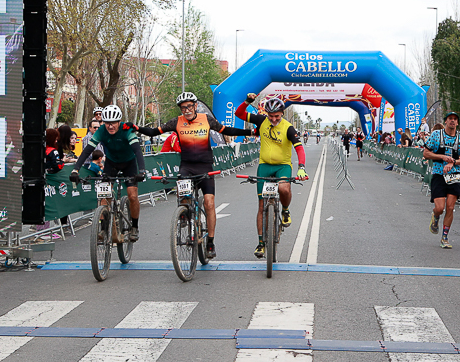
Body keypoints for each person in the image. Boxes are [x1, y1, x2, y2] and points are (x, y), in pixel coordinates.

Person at [136, 92, 252, 260]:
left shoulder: (206, 119)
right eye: (183, 108)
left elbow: (227, 130)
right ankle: (183, 213)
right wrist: (136, 128)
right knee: (182, 192)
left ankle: (210, 242)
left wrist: (250, 132)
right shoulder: (176, 122)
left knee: (209, 203)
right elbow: (154, 131)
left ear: (196, 106)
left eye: (189, 106)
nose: (187, 110)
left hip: (205, 166)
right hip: (187, 166)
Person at [235, 94, 309, 258]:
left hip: (283, 166)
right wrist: (247, 101)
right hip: (264, 166)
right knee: (261, 206)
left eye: (277, 116)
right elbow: (239, 114)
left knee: (284, 188)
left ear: (282, 113)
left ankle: (285, 210)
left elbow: (299, 148)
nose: (273, 119)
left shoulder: (288, 128)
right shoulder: (261, 121)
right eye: (271, 116)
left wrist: (301, 167)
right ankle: (261, 243)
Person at [69, 105, 146, 241]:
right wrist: (75, 170)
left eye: (113, 123)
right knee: (104, 196)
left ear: (119, 121)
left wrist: (142, 171)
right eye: (107, 123)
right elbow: (87, 151)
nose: (110, 126)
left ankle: (134, 226)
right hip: (111, 163)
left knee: (132, 195)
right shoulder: (101, 131)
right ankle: (104, 228)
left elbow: (137, 151)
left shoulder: (126, 130)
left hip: (129, 163)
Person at [422, 111, 460, 249]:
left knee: (450, 207)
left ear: (457, 122)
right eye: (450, 118)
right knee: (440, 208)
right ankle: (436, 215)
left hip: (454, 175)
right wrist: (442, 157)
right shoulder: (436, 135)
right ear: (446, 121)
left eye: (455, 119)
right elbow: (426, 153)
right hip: (438, 174)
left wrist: (453, 162)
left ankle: (444, 237)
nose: (452, 121)